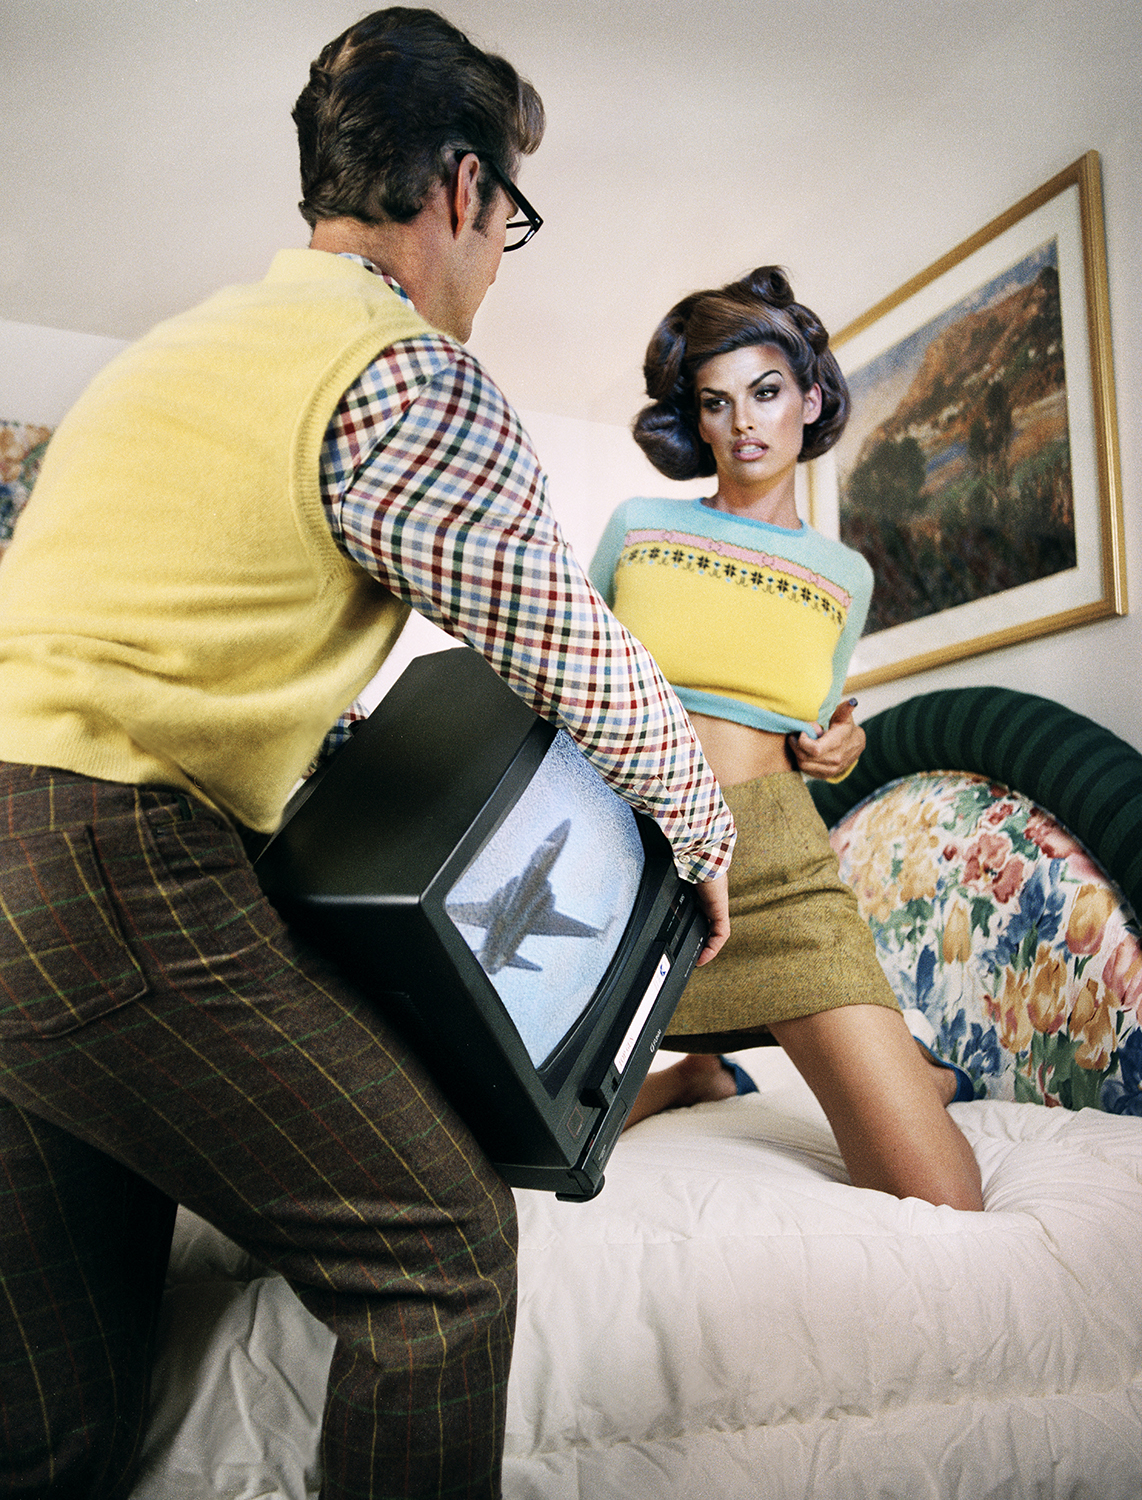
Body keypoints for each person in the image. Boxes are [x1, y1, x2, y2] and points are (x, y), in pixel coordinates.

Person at [0, 12, 735, 1498]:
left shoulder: (171, 357)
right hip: (105, 871)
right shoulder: (398, 371)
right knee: (443, 1259)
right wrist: (702, 835)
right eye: (507, 223)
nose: (493, 263)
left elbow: (147, 635)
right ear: (464, 193)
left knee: (55, 1425)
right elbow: (569, 646)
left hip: (20, 895)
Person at [590, 266, 983, 1213]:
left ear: (810, 398)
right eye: (716, 403)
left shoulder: (844, 574)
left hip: (776, 857)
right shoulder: (638, 529)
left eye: (766, 392)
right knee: (505, 1104)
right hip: (626, 845)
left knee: (943, 1195)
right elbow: (572, 677)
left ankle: (908, 1072)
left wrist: (832, 749)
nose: (744, 423)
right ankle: (686, 1077)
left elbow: (813, 719)